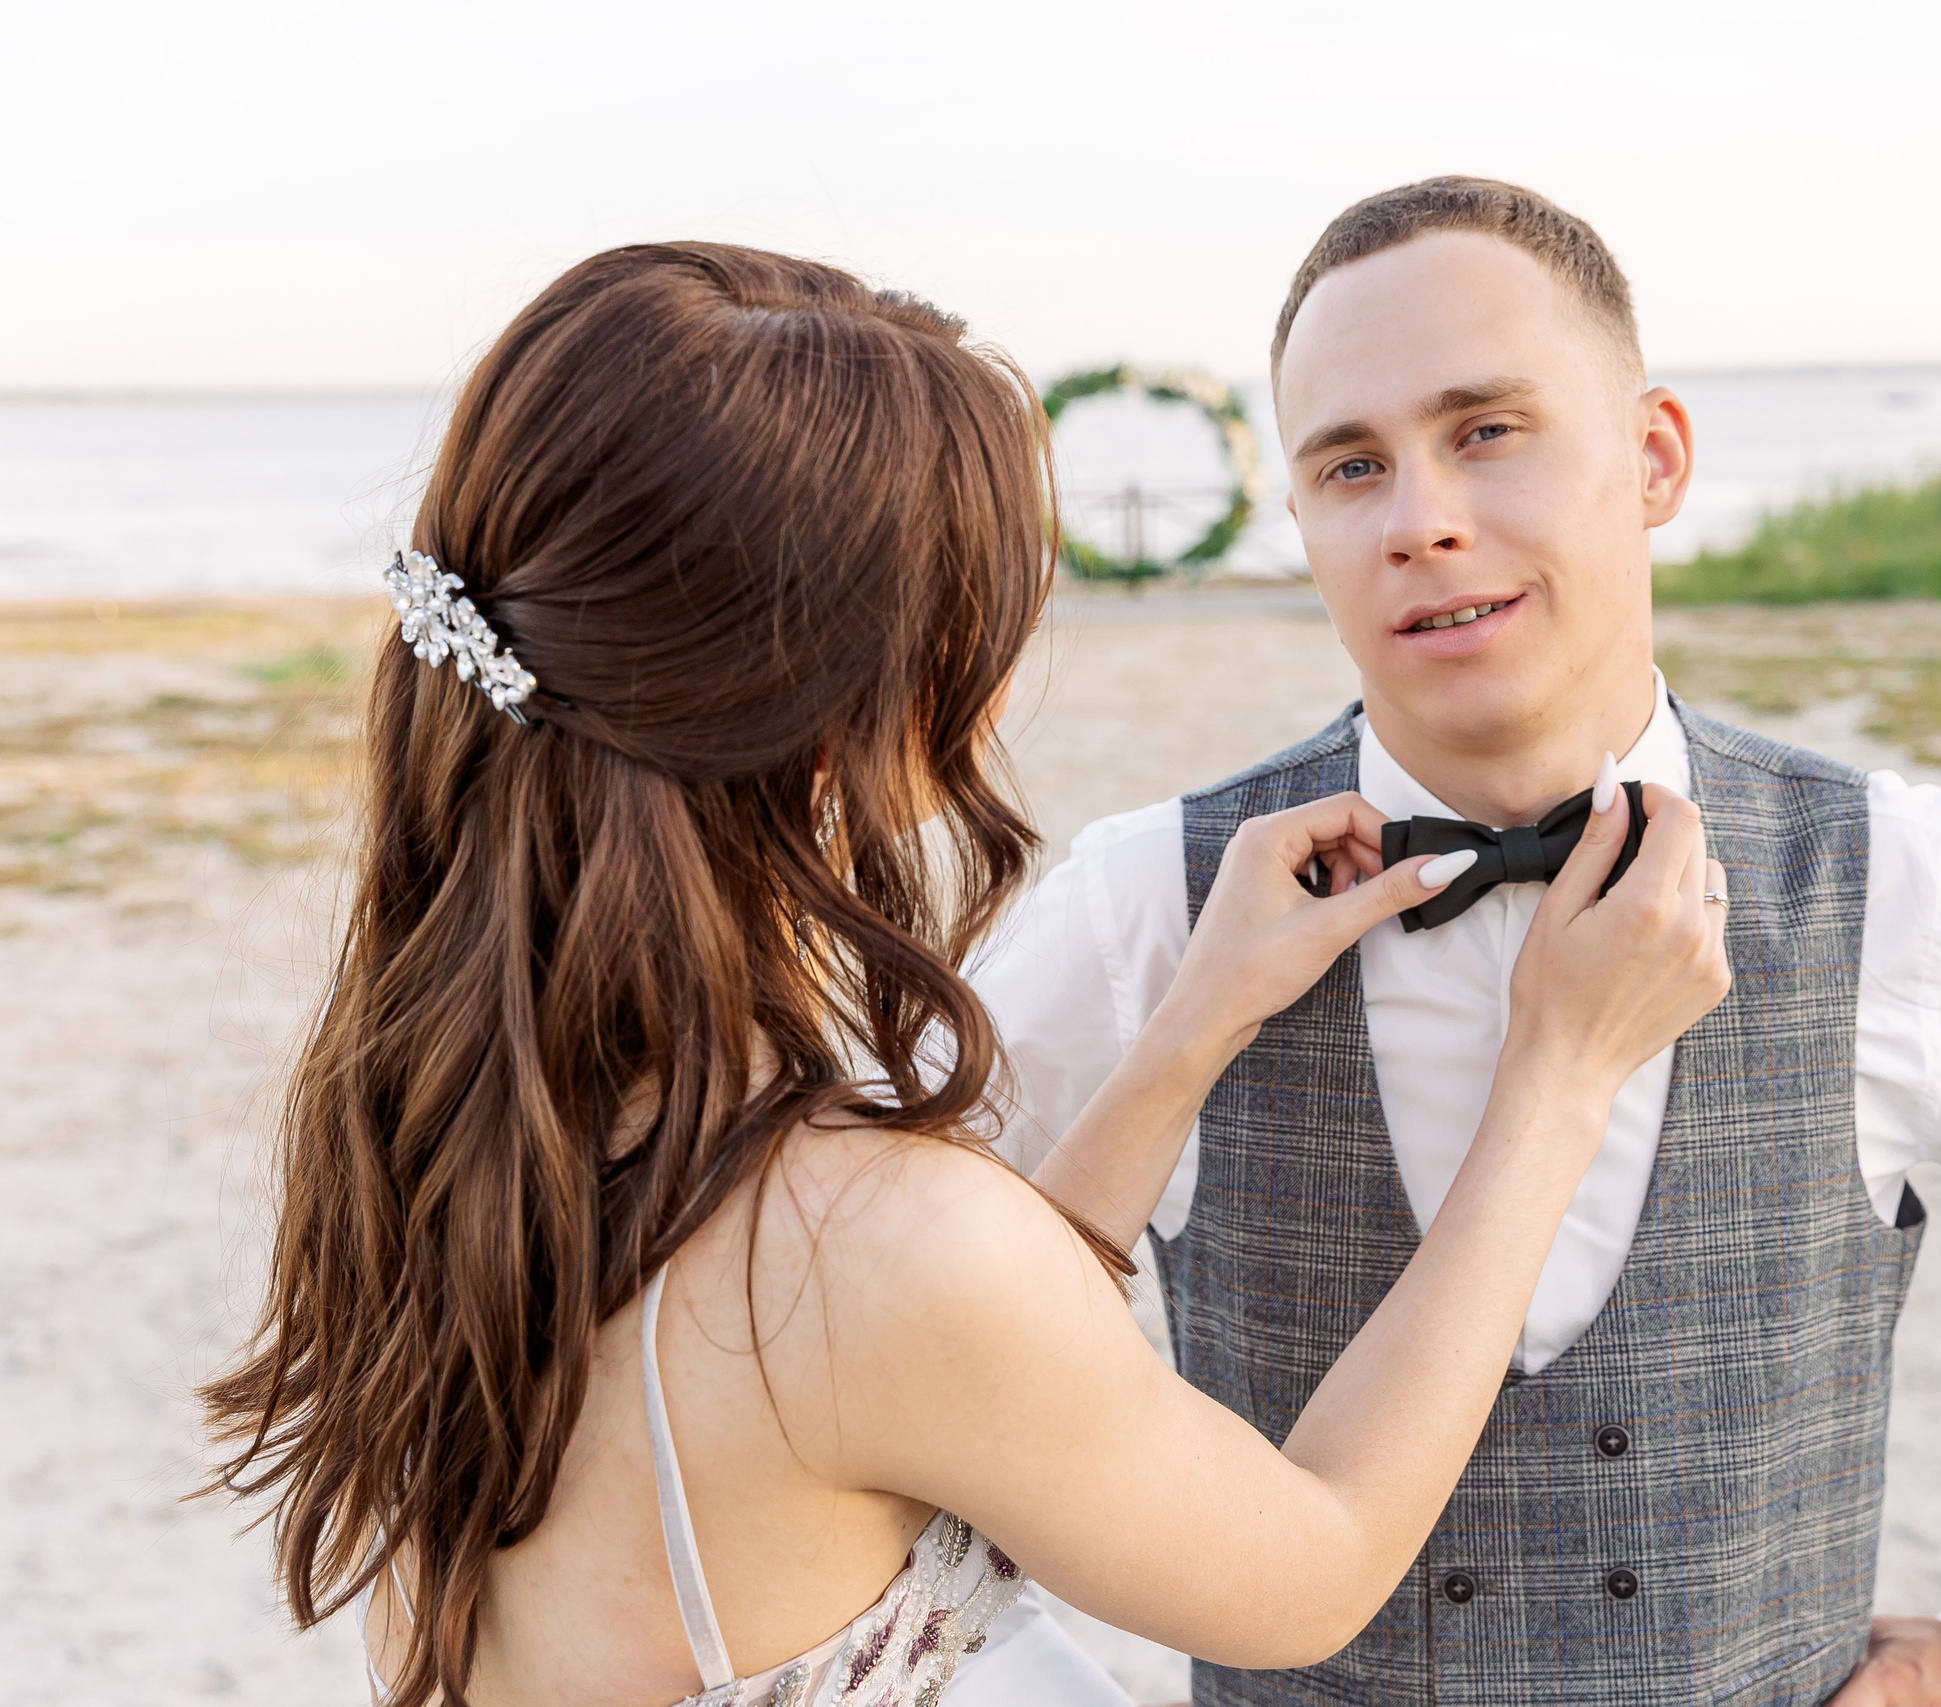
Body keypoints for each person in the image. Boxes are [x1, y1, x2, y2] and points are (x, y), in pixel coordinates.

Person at [198, 241, 1736, 1707]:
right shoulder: (858, 1244)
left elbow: (943, 1357)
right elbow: (1315, 1562)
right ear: (866, 706)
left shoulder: (465, 1115)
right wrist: (1560, 1078)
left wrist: (1192, 1033)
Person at [968, 179, 1941, 1707]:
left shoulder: (1891, 880)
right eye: (1353, 466)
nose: (1422, 518)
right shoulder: (1153, 896)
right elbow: (860, 1334)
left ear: (1655, 457)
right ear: (1303, 526)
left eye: (1486, 429)